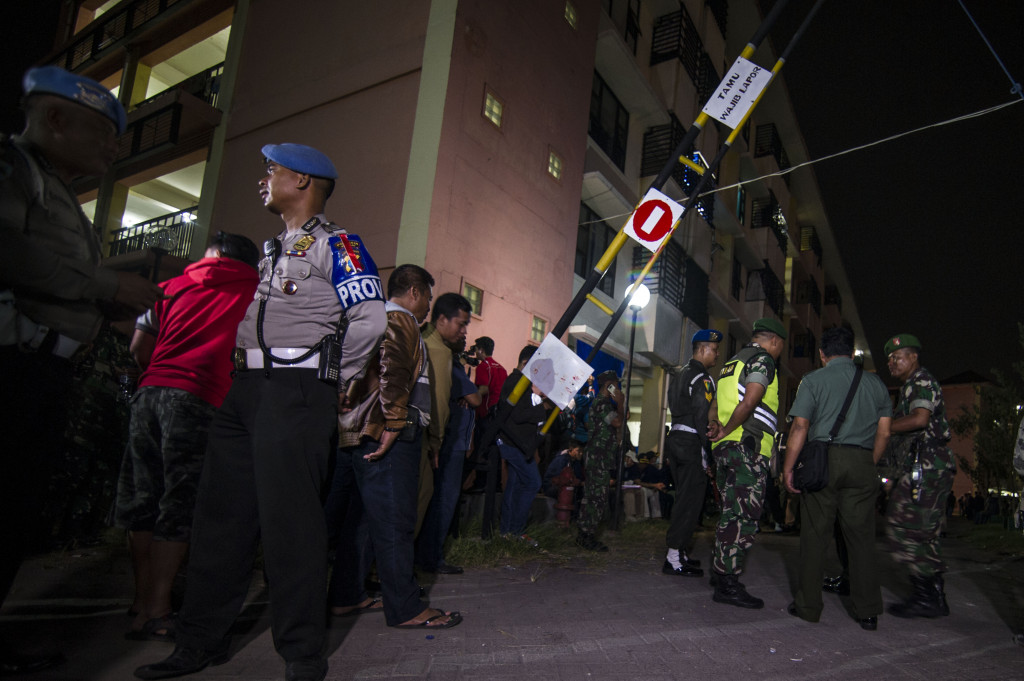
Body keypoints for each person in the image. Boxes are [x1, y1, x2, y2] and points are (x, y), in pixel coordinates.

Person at [135, 143, 387, 681]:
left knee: (290, 524)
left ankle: (301, 652)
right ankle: (199, 641)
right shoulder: (272, 249)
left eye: (271, 171)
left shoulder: (338, 244)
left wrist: (340, 378)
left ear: (301, 180)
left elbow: (368, 317)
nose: (263, 179)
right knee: (218, 519)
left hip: (297, 391)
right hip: (245, 389)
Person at [0, 66, 163, 675]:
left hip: (45, 370)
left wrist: (111, 309)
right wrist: (105, 283)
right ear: (56, 119)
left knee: (17, 505)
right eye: (103, 133)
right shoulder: (14, 171)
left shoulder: (58, 189)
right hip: (14, 365)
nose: (113, 148)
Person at [113, 232, 260, 641]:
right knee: (179, 503)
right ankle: (159, 608)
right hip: (200, 399)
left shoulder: (167, 287)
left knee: (143, 498)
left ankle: (141, 602)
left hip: (148, 394)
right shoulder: (254, 291)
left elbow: (139, 351)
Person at [330, 264, 463, 629]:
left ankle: (346, 595)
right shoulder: (399, 320)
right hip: (388, 433)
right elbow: (391, 368)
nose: (428, 308)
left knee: (362, 521)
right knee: (396, 521)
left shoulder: (368, 318)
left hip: (360, 430)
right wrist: (394, 420)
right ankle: (405, 608)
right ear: (415, 292)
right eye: (428, 298)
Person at [781, 326, 892, 631]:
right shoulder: (876, 384)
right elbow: (884, 433)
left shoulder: (813, 380)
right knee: (861, 539)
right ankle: (868, 611)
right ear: (852, 352)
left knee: (815, 536)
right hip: (862, 462)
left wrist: (788, 467)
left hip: (823, 462)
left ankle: (808, 607)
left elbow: (800, 427)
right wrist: (867, 462)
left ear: (822, 354)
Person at [707, 318, 787, 608]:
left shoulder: (731, 363)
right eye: (781, 347)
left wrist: (716, 427)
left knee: (729, 512)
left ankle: (720, 572)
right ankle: (728, 583)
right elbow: (751, 399)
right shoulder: (763, 360)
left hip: (726, 449)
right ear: (775, 341)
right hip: (747, 447)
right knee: (743, 517)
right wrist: (728, 429)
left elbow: (714, 404)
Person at [883, 333, 956, 619]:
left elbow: (920, 419)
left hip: (927, 465)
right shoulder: (912, 385)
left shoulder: (920, 381)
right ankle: (933, 596)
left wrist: (885, 428)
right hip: (929, 465)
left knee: (902, 528)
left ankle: (927, 594)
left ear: (914, 357)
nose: (892, 363)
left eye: (897, 357)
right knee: (926, 533)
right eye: (889, 359)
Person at [416, 336, 481, 575]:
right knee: (443, 499)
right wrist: (476, 390)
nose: (464, 338)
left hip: (447, 440)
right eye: (461, 327)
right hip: (448, 443)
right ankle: (431, 557)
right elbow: (475, 398)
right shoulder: (449, 364)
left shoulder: (447, 361)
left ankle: (428, 554)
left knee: (439, 498)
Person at [663, 329, 722, 578]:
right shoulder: (702, 378)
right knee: (689, 501)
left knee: (683, 497)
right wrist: (708, 452)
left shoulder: (679, 374)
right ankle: (674, 557)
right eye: (714, 349)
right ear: (702, 349)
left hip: (675, 438)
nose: (717, 355)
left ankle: (681, 552)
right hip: (690, 442)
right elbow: (701, 416)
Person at [416, 293, 472, 536]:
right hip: (421, 437)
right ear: (442, 319)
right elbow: (438, 401)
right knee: (421, 497)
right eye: (461, 324)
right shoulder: (439, 351)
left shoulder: (419, 334)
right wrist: (436, 443)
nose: (464, 332)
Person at [495, 345, 550, 544]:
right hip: (513, 443)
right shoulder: (516, 382)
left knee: (515, 485)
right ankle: (515, 531)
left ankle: (507, 532)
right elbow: (518, 415)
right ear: (526, 364)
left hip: (516, 443)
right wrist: (542, 408)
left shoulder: (519, 382)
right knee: (532, 483)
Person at [576, 370, 624, 552]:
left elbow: (620, 419)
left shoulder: (604, 404)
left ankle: (586, 533)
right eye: (615, 385)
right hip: (598, 457)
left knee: (596, 496)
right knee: (595, 497)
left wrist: (619, 405)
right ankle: (586, 535)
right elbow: (617, 422)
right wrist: (620, 402)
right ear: (608, 385)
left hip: (601, 457)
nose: (617, 389)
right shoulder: (602, 404)